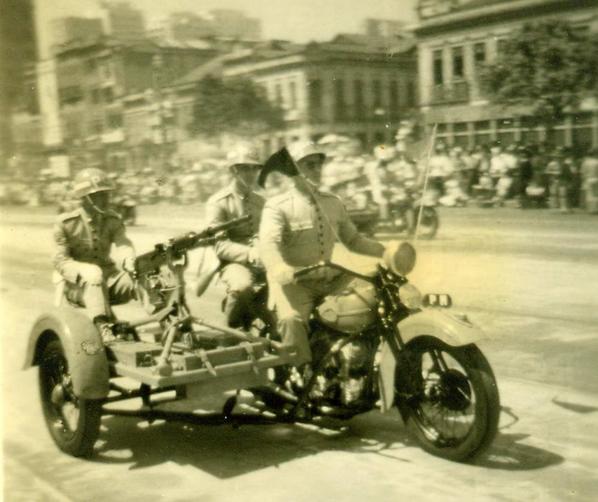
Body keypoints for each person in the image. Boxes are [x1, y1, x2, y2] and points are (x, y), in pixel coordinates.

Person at [259, 141, 387, 369]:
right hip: (295, 283)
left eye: (319, 164)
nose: (317, 170)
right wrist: (279, 267)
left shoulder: (333, 203)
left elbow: (354, 241)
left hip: (332, 278)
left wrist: (388, 251)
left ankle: (362, 363)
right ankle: (300, 372)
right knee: (292, 320)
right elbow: (268, 244)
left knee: (374, 301)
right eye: (309, 165)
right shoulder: (277, 206)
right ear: (293, 169)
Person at [53, 168, 136, 343]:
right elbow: (61, 261)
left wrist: (130, 259)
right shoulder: (66, 223)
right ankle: (102, 327)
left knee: (144, 275)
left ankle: (169, 322)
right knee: (93, 275)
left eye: (106, 193)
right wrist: (83, 269)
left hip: (110, 281)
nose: (106, 199)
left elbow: (123, 243)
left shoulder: (112, 219)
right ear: (85, 198)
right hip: (78, 287)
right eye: (99, 195)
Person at [204, 143, 266, 329]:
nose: (251, 173)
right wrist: (250, 253)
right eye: (245, 168)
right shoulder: (219, 202)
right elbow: (219, 245)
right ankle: (231, 330)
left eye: (254, 168)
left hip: (263, 258)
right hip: (233, 263)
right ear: (234, 170)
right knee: (242, 286)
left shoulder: (261, 201)